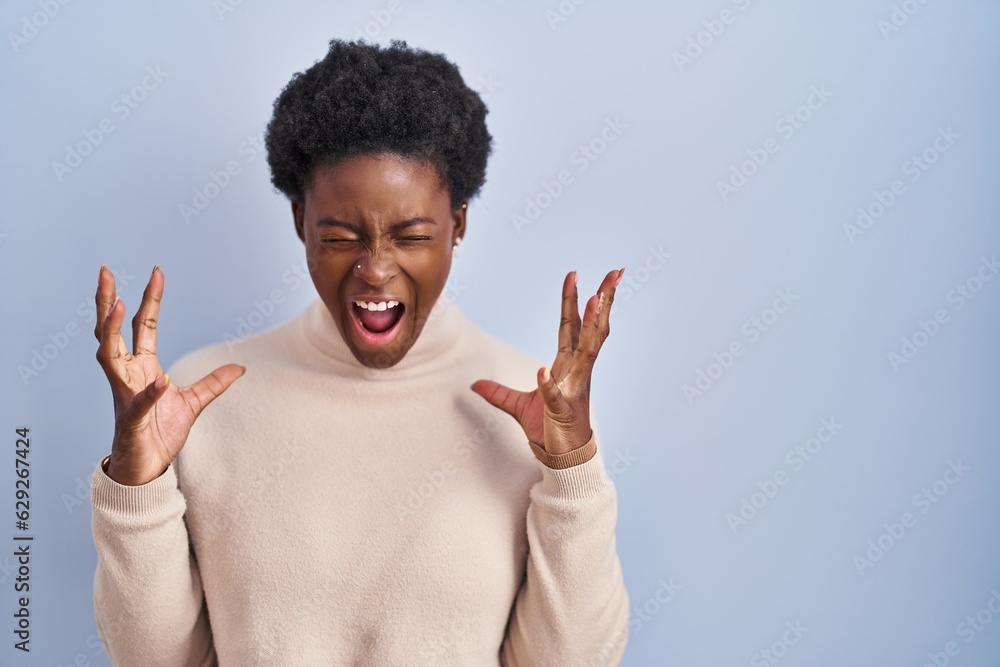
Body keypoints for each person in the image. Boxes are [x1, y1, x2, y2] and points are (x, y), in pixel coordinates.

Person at [90, 38, 629, 666]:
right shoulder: (195, 403)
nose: (376, 270)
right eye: (341, 236)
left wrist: (570, 476)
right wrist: (138, 484)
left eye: (413, 235)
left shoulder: (532, 410)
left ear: (457, 224)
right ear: (299, 222)